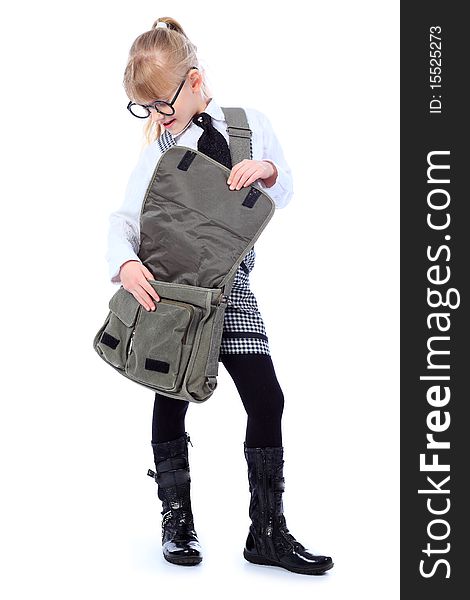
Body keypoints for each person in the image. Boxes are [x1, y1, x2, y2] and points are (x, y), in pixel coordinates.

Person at [105, 16, 334, 575]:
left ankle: (268, 531)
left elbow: (286, 191)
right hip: (177, 296)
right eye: (149, 109)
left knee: (267, 399)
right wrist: (125, 262)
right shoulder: (163, 148)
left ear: (194, 80)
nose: (159, 117)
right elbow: (126, 218)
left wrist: (267, 168)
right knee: (171, 395)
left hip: (231, 292)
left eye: (162, 104)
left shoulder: (247, 126)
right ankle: (177, 521)